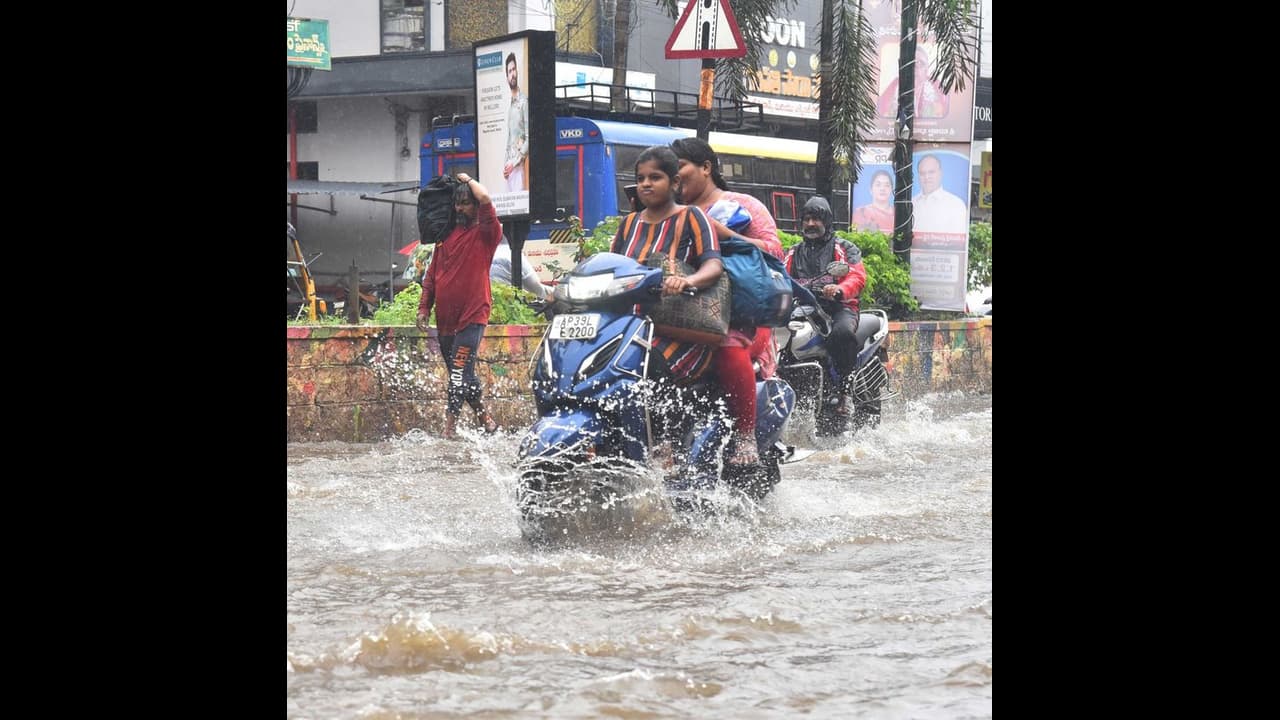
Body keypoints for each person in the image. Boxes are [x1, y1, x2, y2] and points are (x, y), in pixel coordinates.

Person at [610, 145, 728, 463]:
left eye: (655, 177)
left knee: (647, 362)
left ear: (675, 182)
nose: (646, 184)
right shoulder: (628, 224)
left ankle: (668, 445)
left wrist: (687, 281)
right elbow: (609, 268)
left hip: (677, 329)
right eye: (641, 178)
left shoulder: (692, 217)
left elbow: (713, 265)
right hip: (627, 327)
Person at [671, 136, 782, 465]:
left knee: (727, 344)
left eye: (679, 169)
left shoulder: (743, 204)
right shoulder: (668, 213)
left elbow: (775, 253)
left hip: (741, 316)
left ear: (706, 168)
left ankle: (745, 436)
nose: (673, 179)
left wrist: (726, 234)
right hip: (681, 313)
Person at [416, 173, 504, 439]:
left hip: (473, 314)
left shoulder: (487, 234)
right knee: (463, 373)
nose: (460, 208)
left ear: (475, 207)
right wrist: (423, 308)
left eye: (466, 203)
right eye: (457, 203)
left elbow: (486, 198)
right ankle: (485, 419)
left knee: (457, 371)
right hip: (446, 319)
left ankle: (449, 428)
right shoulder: (445, 237)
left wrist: (467, 179)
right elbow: (431, 276)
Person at [784, 196, 868, 416]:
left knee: (841, 334)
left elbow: (856, 276)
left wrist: (840, 290)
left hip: (838, 308)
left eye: (817, 219)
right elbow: (778, 276)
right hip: (802, 308)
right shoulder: (794, 252)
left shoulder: (843, 247)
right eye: (807, 219)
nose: (811, 224)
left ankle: (845, 392)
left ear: (827, 221)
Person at [876, 48, 950, 120]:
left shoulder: (937, 88)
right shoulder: (892, 89)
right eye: (911, 62)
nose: (915, 67)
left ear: (926, 70)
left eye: (920, 63)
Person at [911, 154, 967, 234]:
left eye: (931, 172)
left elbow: (958, 239)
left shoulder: (956, 204)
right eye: (922, 173)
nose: (927, 177)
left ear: (940, 173)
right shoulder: (911, 203)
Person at [489, 235, 548, 300]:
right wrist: (548, 295)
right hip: (511, 303)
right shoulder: (511, 253)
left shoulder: (485, 255)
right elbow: (535, 286)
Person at [502, 53, 529, 192]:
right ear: (506, 76)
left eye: (514, 70)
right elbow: (509, 138)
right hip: (510, 168)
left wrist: (516, 161)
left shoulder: (524, 102)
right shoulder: (510, 105)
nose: (512, 74)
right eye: (509, 71)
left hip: (521, 166)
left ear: (517, 71)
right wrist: (506, 165)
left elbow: (530, 137)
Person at [851, 169, 895, 234]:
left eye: (887, 185)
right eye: (878, 185)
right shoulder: (861, 213)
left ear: (892, 190)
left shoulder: (898, 214)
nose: (882, 188)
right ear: (871, 190)